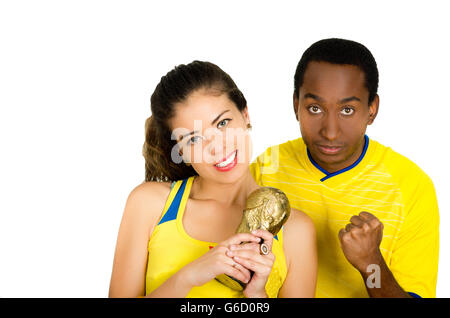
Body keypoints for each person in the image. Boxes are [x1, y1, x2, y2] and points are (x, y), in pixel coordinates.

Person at [108, 61, 317, 298]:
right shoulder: (150, 204)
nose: (217, 148)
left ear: (245, 115)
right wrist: (189, 277)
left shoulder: (295, 230)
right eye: (194, 139)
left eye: (222, 123)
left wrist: (257, 295)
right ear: (180, 151)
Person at [250, 38, 439, 298]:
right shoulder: (267, 166)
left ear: (372, 110)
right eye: (314, 108)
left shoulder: (412, 187)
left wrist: (371, 265)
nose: (330, 132)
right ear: (296, 106)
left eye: (347, 110)